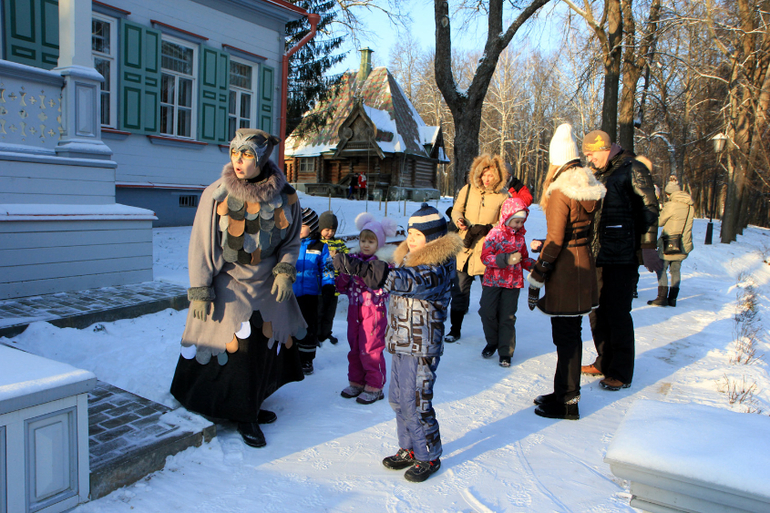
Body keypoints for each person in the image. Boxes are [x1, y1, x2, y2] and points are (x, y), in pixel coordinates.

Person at [170, 128, 306, 449]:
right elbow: (202, 246)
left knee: (260, 350)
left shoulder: (286, 196)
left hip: (267, 285)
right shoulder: (215, 195)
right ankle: (240, 413)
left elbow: (291, 240)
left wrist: (285, 271)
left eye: (246, 155)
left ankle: (251, 403)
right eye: (235, 153)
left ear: (262, 159)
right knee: (235, 350)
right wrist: (201, 289)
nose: (239, 161)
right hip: (228, 284)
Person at [333, 203, 463, 482]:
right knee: (397, 400)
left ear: (433, 238)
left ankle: (429, 454)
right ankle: (409, 448)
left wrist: (362, 267)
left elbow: (403, 281)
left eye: (417, 234)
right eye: (410, 232)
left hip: (422, 345)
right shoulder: (411, 258)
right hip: (403, 341)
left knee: (415, 402)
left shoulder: (435, 267)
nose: (410, 238)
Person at [527, 123, 606, 420]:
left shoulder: (560, 190)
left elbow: (558, 239)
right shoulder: (587, 185)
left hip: (566, 270)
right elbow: (572, 233)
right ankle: (564, 392)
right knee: (571, 333)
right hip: (584, 263)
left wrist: (538, 274)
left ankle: (568, 402)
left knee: (566, 336)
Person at [580, 130, 661, 391]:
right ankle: (604, 360)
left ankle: (621, 371)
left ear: (604, 148)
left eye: (591, 153)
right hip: (599, 253)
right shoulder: (600, 173)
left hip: (623, 255)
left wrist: (648, 245)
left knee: (617, 313)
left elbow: (649, 208)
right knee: (596, 311)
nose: (589, 159)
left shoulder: (632, 168)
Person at [447, 154, 510, 342]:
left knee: (490, 296)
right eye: (483, 175)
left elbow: (506, 223)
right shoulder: (467, 190)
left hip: (488, 251)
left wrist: (489, 228)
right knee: (459, 291)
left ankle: (493, 335)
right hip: (465, 247)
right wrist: (459, 221)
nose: (486, 179)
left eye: (490, 175)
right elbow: (457, 209)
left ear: (498, 176)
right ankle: (454, 330)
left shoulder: (504, 196)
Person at [336, 212, 397, 404]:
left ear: (379, 243)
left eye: (371, 241)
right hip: (355, 310)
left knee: (371, 348)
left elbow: (381, 289)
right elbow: (340, 287)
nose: (366, 244)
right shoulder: (354, 259)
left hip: (373, 311)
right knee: (354, 347)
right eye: (363, 240)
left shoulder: (384, 264)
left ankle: (374, 385)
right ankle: (356, 381)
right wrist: (346, 271)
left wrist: (360, 272)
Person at [478, 196, 535, 367]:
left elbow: (523, 258)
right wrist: (507, 259)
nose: (518, 225)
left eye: (521, 222)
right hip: (492, 282)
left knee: (507, 318)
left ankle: (506, 352)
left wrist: (534, 265)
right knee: (487, 312)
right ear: (506, 217)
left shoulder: (520, 238)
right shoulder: (494, 234)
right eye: (515, 221)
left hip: (513, 284)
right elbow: (485, 257)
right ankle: (492, 341)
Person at [293, 207, 334, 376]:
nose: (297, 229)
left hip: (311, 294)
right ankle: (290, 357)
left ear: (311, 227)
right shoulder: (290, 244)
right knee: (291, 325)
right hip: (291, 294)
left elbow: (327, 267)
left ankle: (307, 358)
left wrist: (328, 285)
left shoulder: (319, 246)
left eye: (301, 225)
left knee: (309, 326)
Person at [647, 177, 694, 307]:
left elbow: (660, 221)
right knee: (676, 270)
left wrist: (660, 211)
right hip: (684, 243)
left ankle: (661, 298)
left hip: (669, 243)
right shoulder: (690, 206)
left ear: (670, 193)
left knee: (661, 268)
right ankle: (672, 299)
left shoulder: (672, 205)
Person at [317, 210, 348, 345]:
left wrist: (338, 256)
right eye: (326, 229)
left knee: (330, 312)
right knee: (319, 311)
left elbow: (347, 256)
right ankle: (317, 334)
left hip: (334, 286)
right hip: (320, 285)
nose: (329, 233)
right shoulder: (317, 242)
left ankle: (326, 333)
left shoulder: (339, 243)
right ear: (320, 229)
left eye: (332, 230)